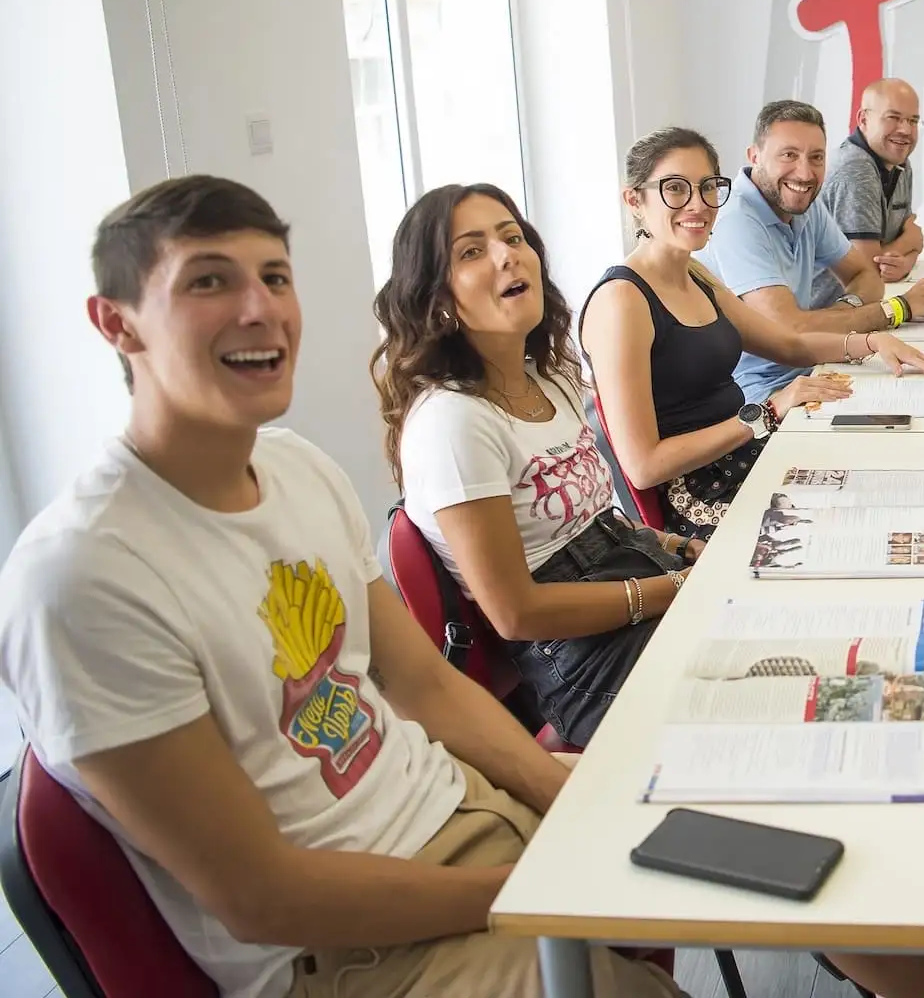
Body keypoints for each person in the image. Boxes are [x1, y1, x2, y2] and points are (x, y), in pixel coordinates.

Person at [0, 176, 679, 998]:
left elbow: (423, 682)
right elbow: (263, 899)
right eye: (210, 280)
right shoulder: (81, 578)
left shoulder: (296, 466)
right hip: (359, 948)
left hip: (462, 812)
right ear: (116, 323)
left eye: (275, 277)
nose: (261, 309)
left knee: (732, 854)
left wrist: (570, 796)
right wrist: (526, 895)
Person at [372, 183, 694, 750]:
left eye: (512, 237)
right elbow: (515, 612)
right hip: (584, 663)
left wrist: (681, 550)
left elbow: (594, 523)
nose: (506, 254)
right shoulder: (453, 422)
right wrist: (674, 590)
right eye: (471, 251)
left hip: (634, 582)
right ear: (439, 298)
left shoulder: (551, 378)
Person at [582, 127, 924, 542]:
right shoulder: (622, 300)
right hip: (702, 495)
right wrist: (770, 410)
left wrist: (870, 342)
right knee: (868, 523)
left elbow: (788, 344)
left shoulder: (695, 273)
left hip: (745, 454)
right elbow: (643, 465)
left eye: (708, 187)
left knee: (899, 480)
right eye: (675, 188)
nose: (698, 204)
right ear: (635, 200)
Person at [699, 99, 924, 405]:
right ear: (755, 156)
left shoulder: (803, 204)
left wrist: (843, 312)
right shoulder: (735, 218)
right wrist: (898, 309)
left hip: (817, 366)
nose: (805, 173)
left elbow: (867, 276)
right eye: (789, 155)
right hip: (761, 395)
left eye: (816, 157)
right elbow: (790, 330)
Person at [814, 78, 924, 289]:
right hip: (830, 308)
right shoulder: (855, 168)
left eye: (912, 121)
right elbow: (866, 271)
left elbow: (901, 254)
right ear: (863, 120)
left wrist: (906, 261)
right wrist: (910, 241)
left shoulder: (900, 163)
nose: (905, 130)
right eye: (893, 117)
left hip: (864, 300)